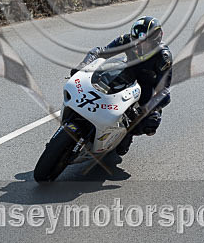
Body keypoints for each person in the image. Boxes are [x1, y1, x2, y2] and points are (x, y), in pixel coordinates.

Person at [71, 16, 172, 157]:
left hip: (145, 86)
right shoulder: (126, 40)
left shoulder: (163, 56)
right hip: (126, 73)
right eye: (136, 40)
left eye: (143, 42)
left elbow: (164, 91)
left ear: (155, 40)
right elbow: (100, 51)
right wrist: (83, 65)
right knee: (100, 80)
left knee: (150, 124)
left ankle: (126, 134)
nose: (138, 45)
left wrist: (147, 109)